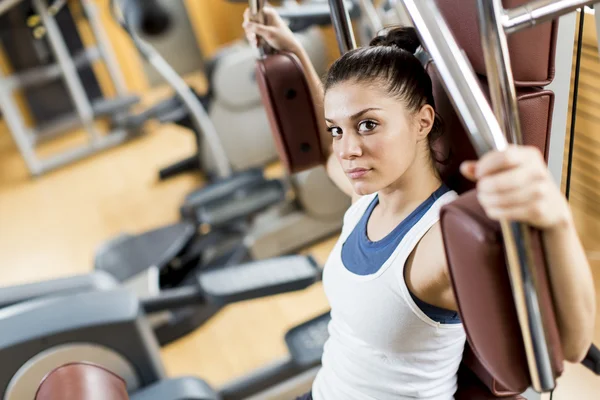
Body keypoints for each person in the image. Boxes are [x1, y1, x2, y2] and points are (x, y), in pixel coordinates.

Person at [243, 7, 596, 400]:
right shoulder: (369, 198)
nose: (348, 150)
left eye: (368, 125)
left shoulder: (436, 243)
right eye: (337, 129)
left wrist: (558, 219)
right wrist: (292, 49)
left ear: (422, 121)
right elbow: (330, 154)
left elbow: (570, 346)